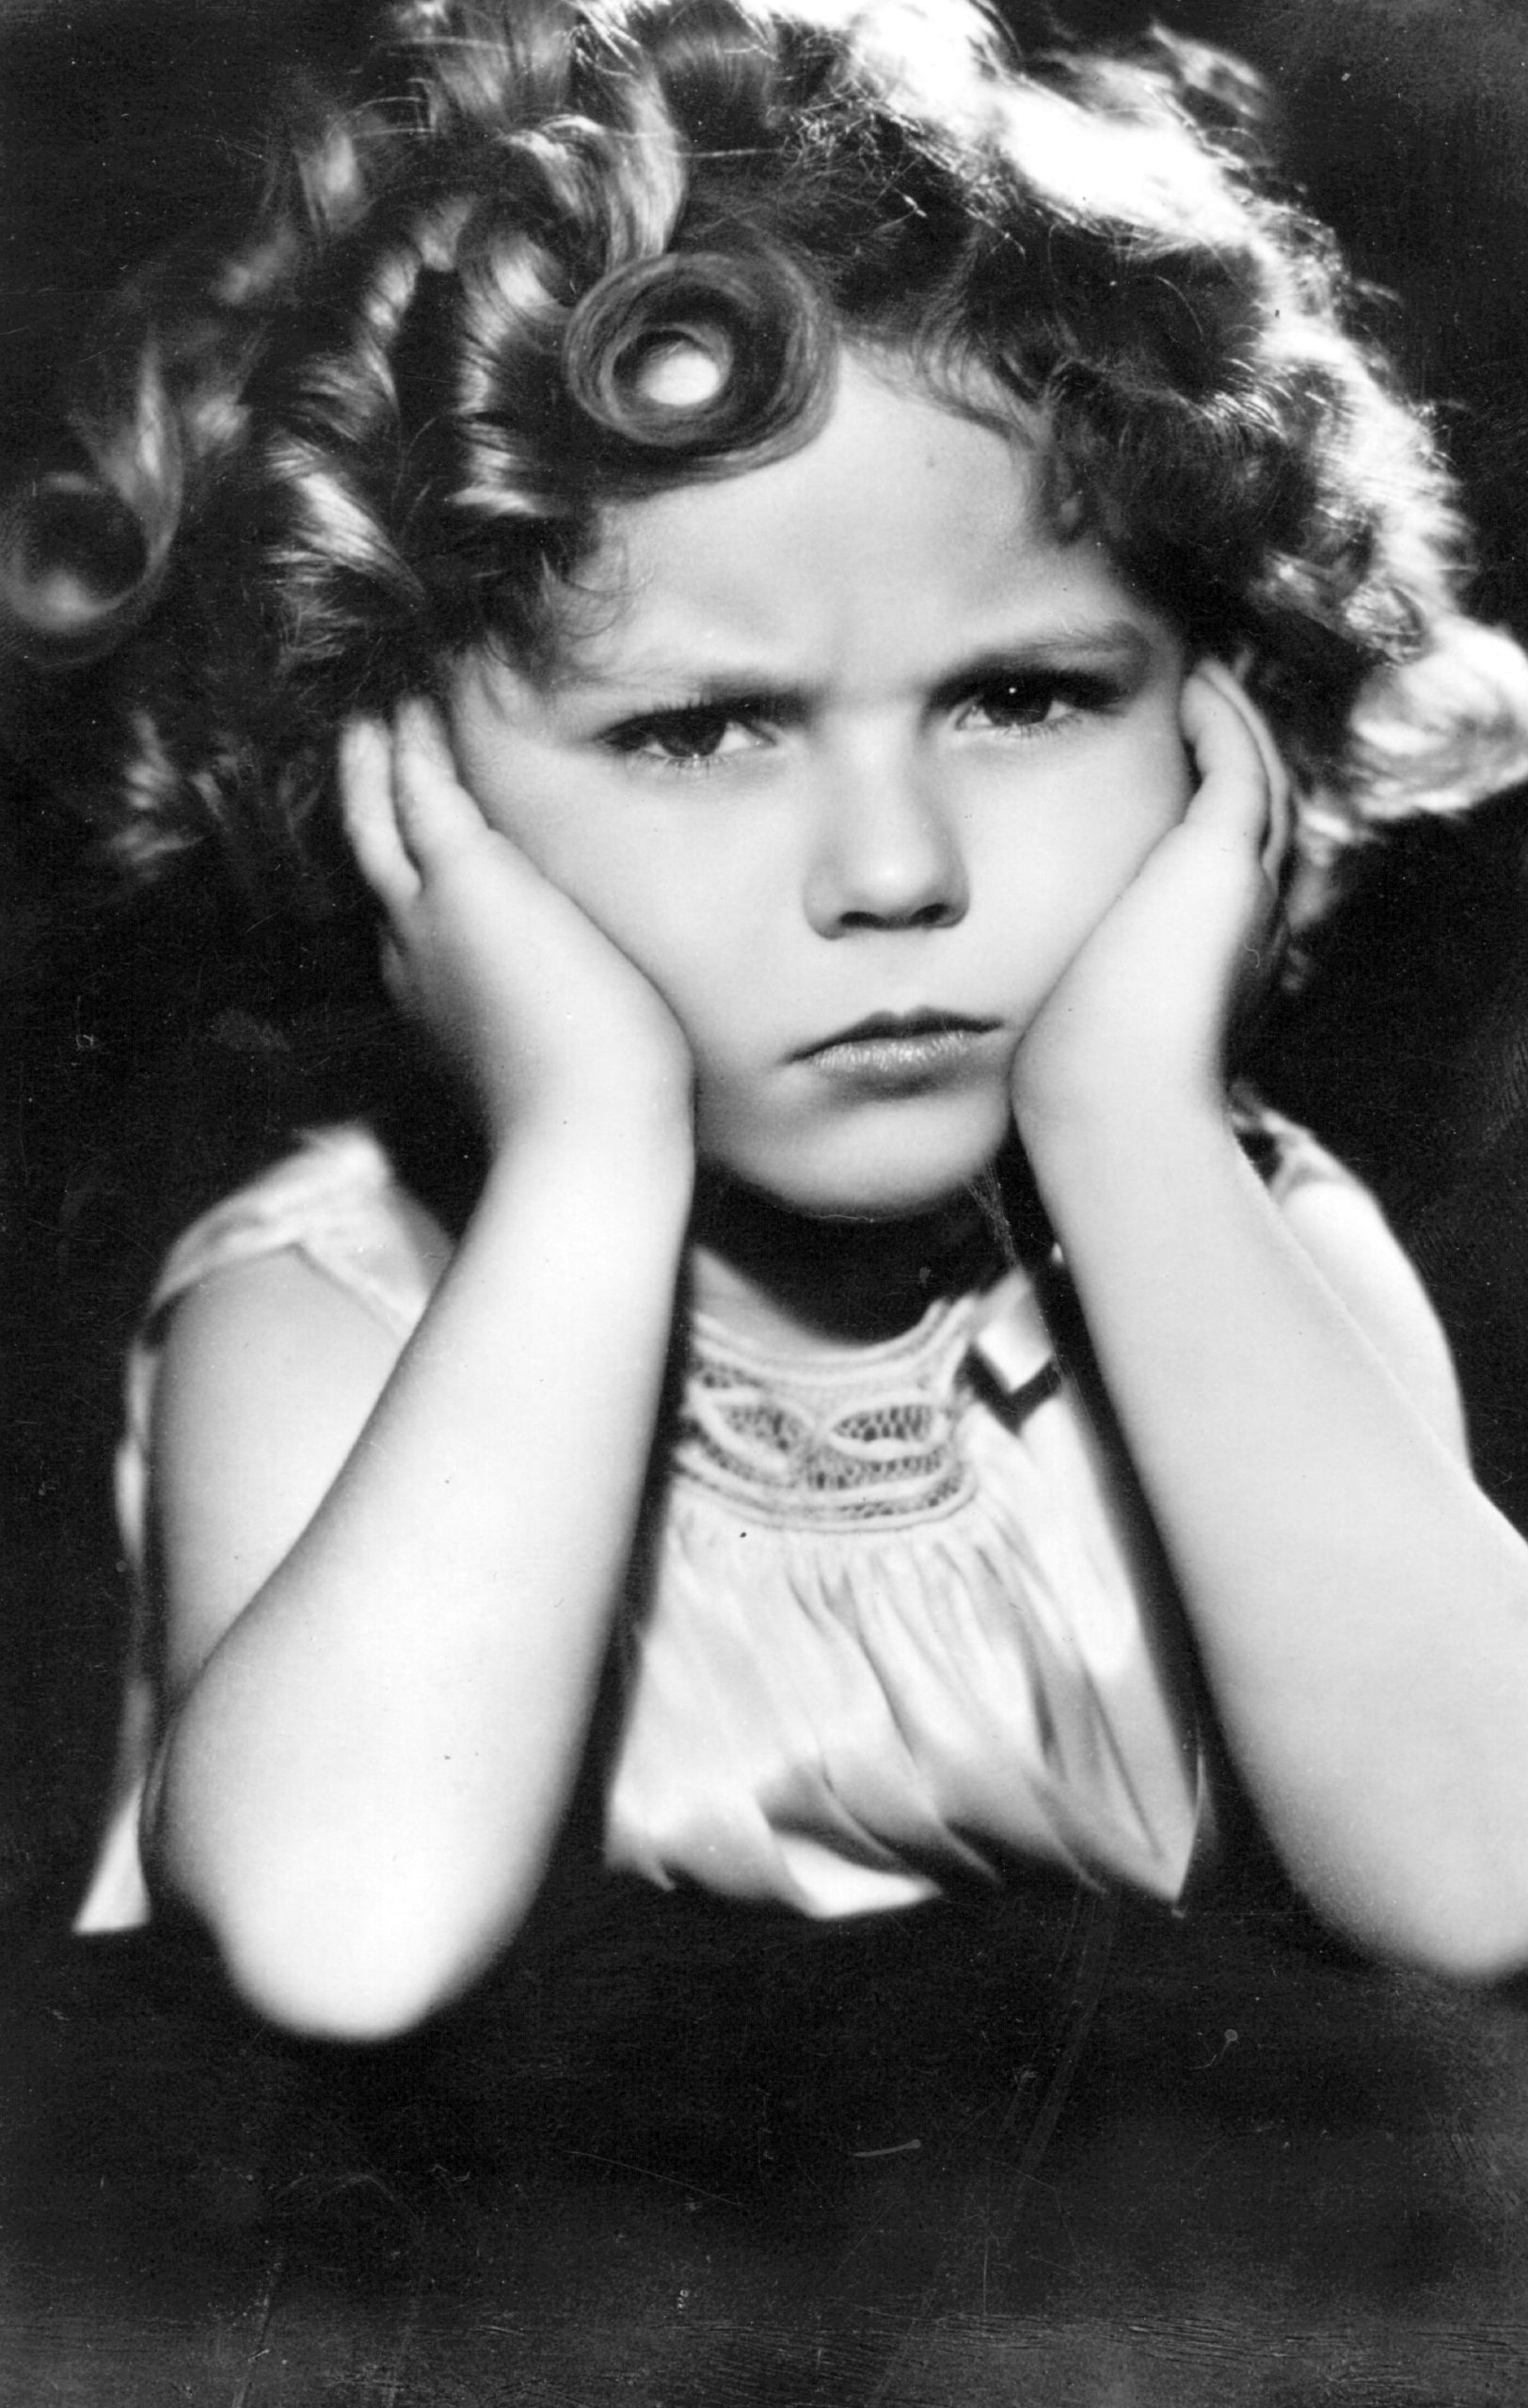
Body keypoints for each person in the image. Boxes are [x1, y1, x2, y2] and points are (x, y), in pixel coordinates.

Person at [18, 0, 1528, 2046]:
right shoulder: (334, 1303)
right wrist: (586, 1151)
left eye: (1021, 697)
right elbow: (338, 1938)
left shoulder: (1246, 1235)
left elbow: (1484, 1883)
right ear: (392, 787)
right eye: (697, 728)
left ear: (1222, 717)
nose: (891, 870)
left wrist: (1135, 1131)